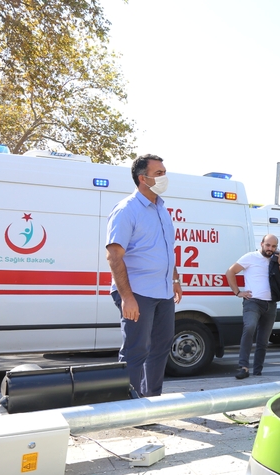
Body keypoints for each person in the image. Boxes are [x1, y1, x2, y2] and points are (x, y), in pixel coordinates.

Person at [106, 154, 182, 398]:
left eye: (164, 172)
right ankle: (128, 405)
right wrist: (127, 297)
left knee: (160, 349)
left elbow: (166, 249)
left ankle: (151, 401)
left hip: (163, 292)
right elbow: (114, 257)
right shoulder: (127, 209)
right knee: (136, 350)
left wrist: (175, 279)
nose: (164, 177)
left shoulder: (162, 209)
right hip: (137, 292)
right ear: (143, 178)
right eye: (159, 173)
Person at [226, 234, 280, 379]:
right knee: (249, 328)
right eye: (268, 245)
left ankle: (257, 371)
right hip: (253, 302)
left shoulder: (275, 260)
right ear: (262, 244)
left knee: (263, 340)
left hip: (271, 304)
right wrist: (238, 292)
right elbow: (230, 272)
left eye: (274, 246)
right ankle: (243, 367)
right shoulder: (250, 257)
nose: (270, 249)